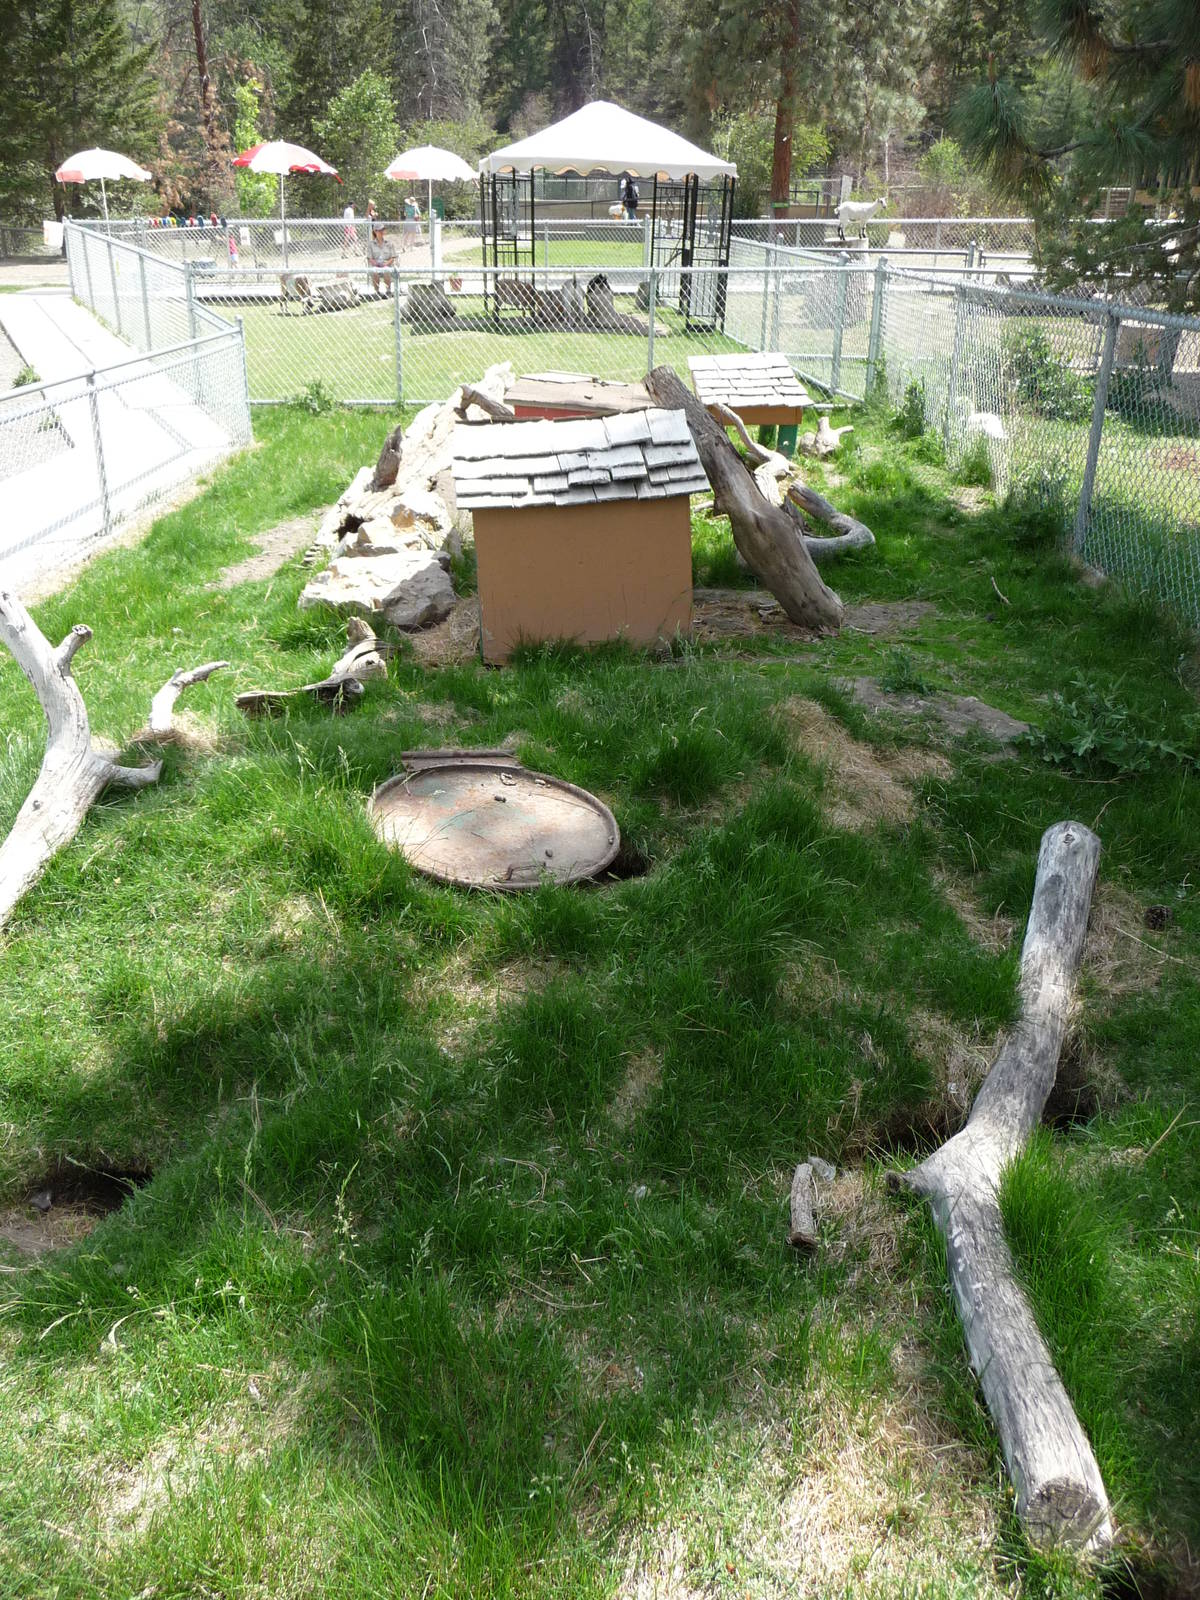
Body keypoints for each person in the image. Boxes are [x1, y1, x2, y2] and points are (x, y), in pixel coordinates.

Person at [368, 224, 396, 293]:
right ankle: (377, 292)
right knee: (374, 271)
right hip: (376, 265)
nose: (382, 231)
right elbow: (369, 258)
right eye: (380, 230)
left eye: (383, 230)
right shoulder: (371, 244)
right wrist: (376, 264)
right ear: (375, 231)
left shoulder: (389, 243)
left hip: (387, 265)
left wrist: (385, 264)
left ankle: (388, 291)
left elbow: (393, 257)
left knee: (386, 270)